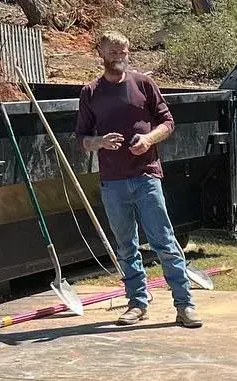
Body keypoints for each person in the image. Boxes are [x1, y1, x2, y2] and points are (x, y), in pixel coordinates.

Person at [75, 31, 201, 329]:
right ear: (101, 53)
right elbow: (81, 139)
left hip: (146, 177)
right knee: (126, 246)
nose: (119, 55)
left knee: (165, 243)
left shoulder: (144, 84)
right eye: (113, 50)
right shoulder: (90, 92)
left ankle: (184, 306)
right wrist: (100, 142)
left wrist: (148, 139)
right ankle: (137, 304)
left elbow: (167, 122)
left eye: (124, 50)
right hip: (113, 182)